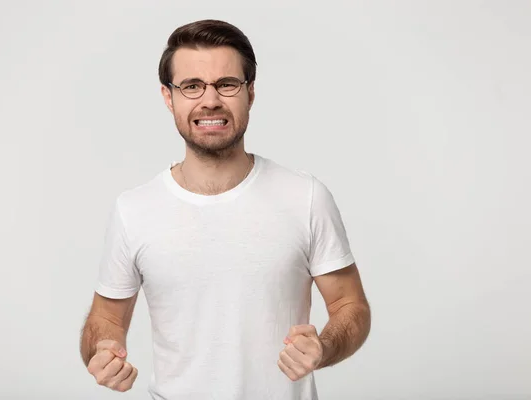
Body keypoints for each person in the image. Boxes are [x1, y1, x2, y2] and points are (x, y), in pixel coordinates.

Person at [79, 19, 371, 400]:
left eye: (227, 84)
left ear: (250, 93)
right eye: (192, 86)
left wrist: (324, 347)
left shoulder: (305, 196)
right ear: (169, 97)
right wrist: (102, 351)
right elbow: (105, 320)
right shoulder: (134, 210)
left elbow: (351, 306)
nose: (210, 100)